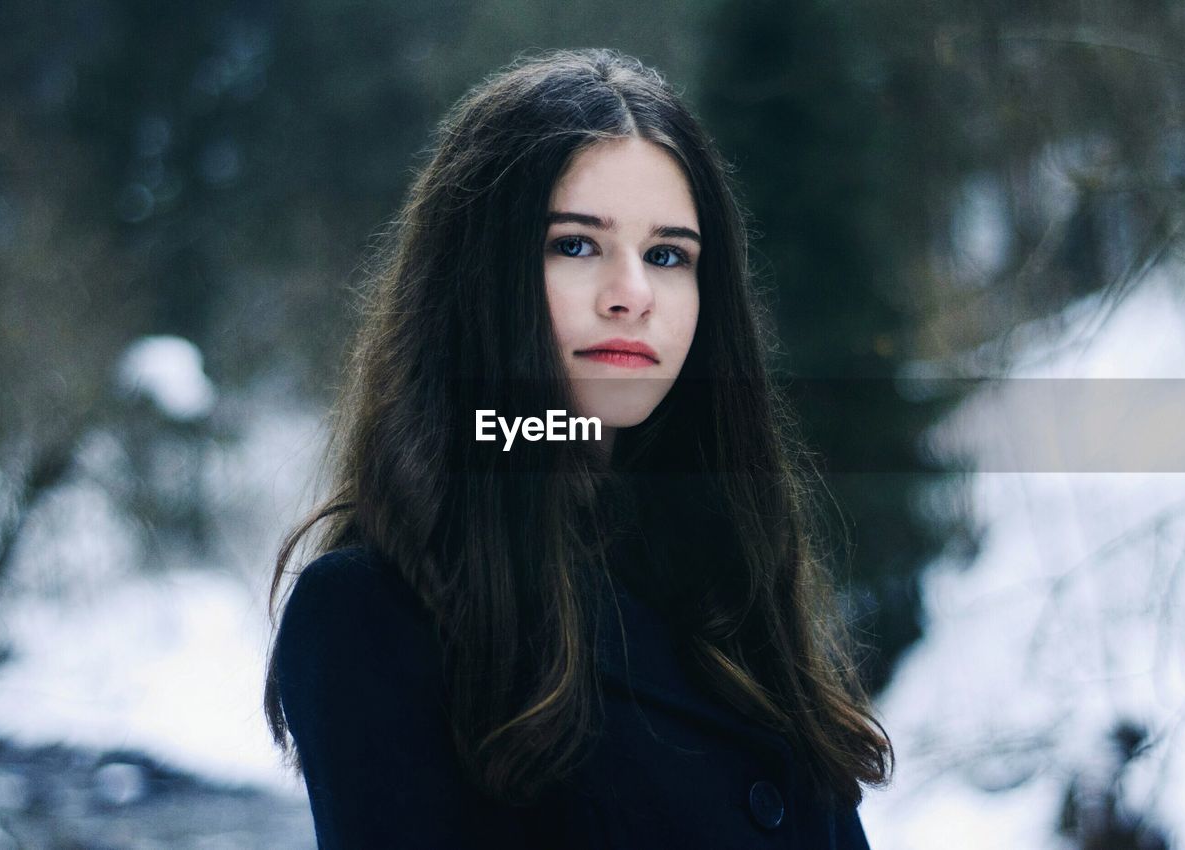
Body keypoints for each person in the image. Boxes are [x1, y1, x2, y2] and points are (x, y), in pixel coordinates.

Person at [262, 47, 892, 849]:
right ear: (482, 279)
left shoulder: (734, 577)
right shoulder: (371, 611)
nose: (631, 294)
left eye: (669, 256)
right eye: (576, 245)